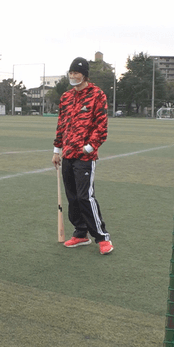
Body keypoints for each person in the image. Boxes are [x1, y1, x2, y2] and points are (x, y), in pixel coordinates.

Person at [52, 57, 113, 255]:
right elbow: (61, 125)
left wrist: (89, 147)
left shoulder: (97, 95)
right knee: (72, 197)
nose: (72, 76)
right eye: (70, 73)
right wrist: (56, 150)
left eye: (76, 73)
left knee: (85, 196)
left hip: (85, 156)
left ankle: (102, 237)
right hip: (68, 154)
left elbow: (101, 127)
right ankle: (80, 233)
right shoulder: (66, 97)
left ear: (85, 75)